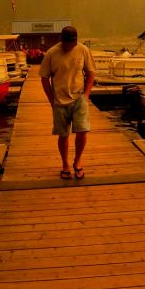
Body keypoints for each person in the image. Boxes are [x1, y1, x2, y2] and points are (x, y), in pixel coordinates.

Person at [39, 25, 96, 179]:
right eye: (66, 44)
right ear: (61, 40)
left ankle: (77, 162)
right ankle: (65, 164)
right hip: (59, 100)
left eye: (72, 44)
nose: (69, 46)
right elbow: (44, 78)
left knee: (82, 130)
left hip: (79, 98)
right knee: (63, 134)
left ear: (76, 41)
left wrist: (86, 95)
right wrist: (51, 100)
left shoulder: (83, 50)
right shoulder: (51, 53)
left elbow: (91, 74)